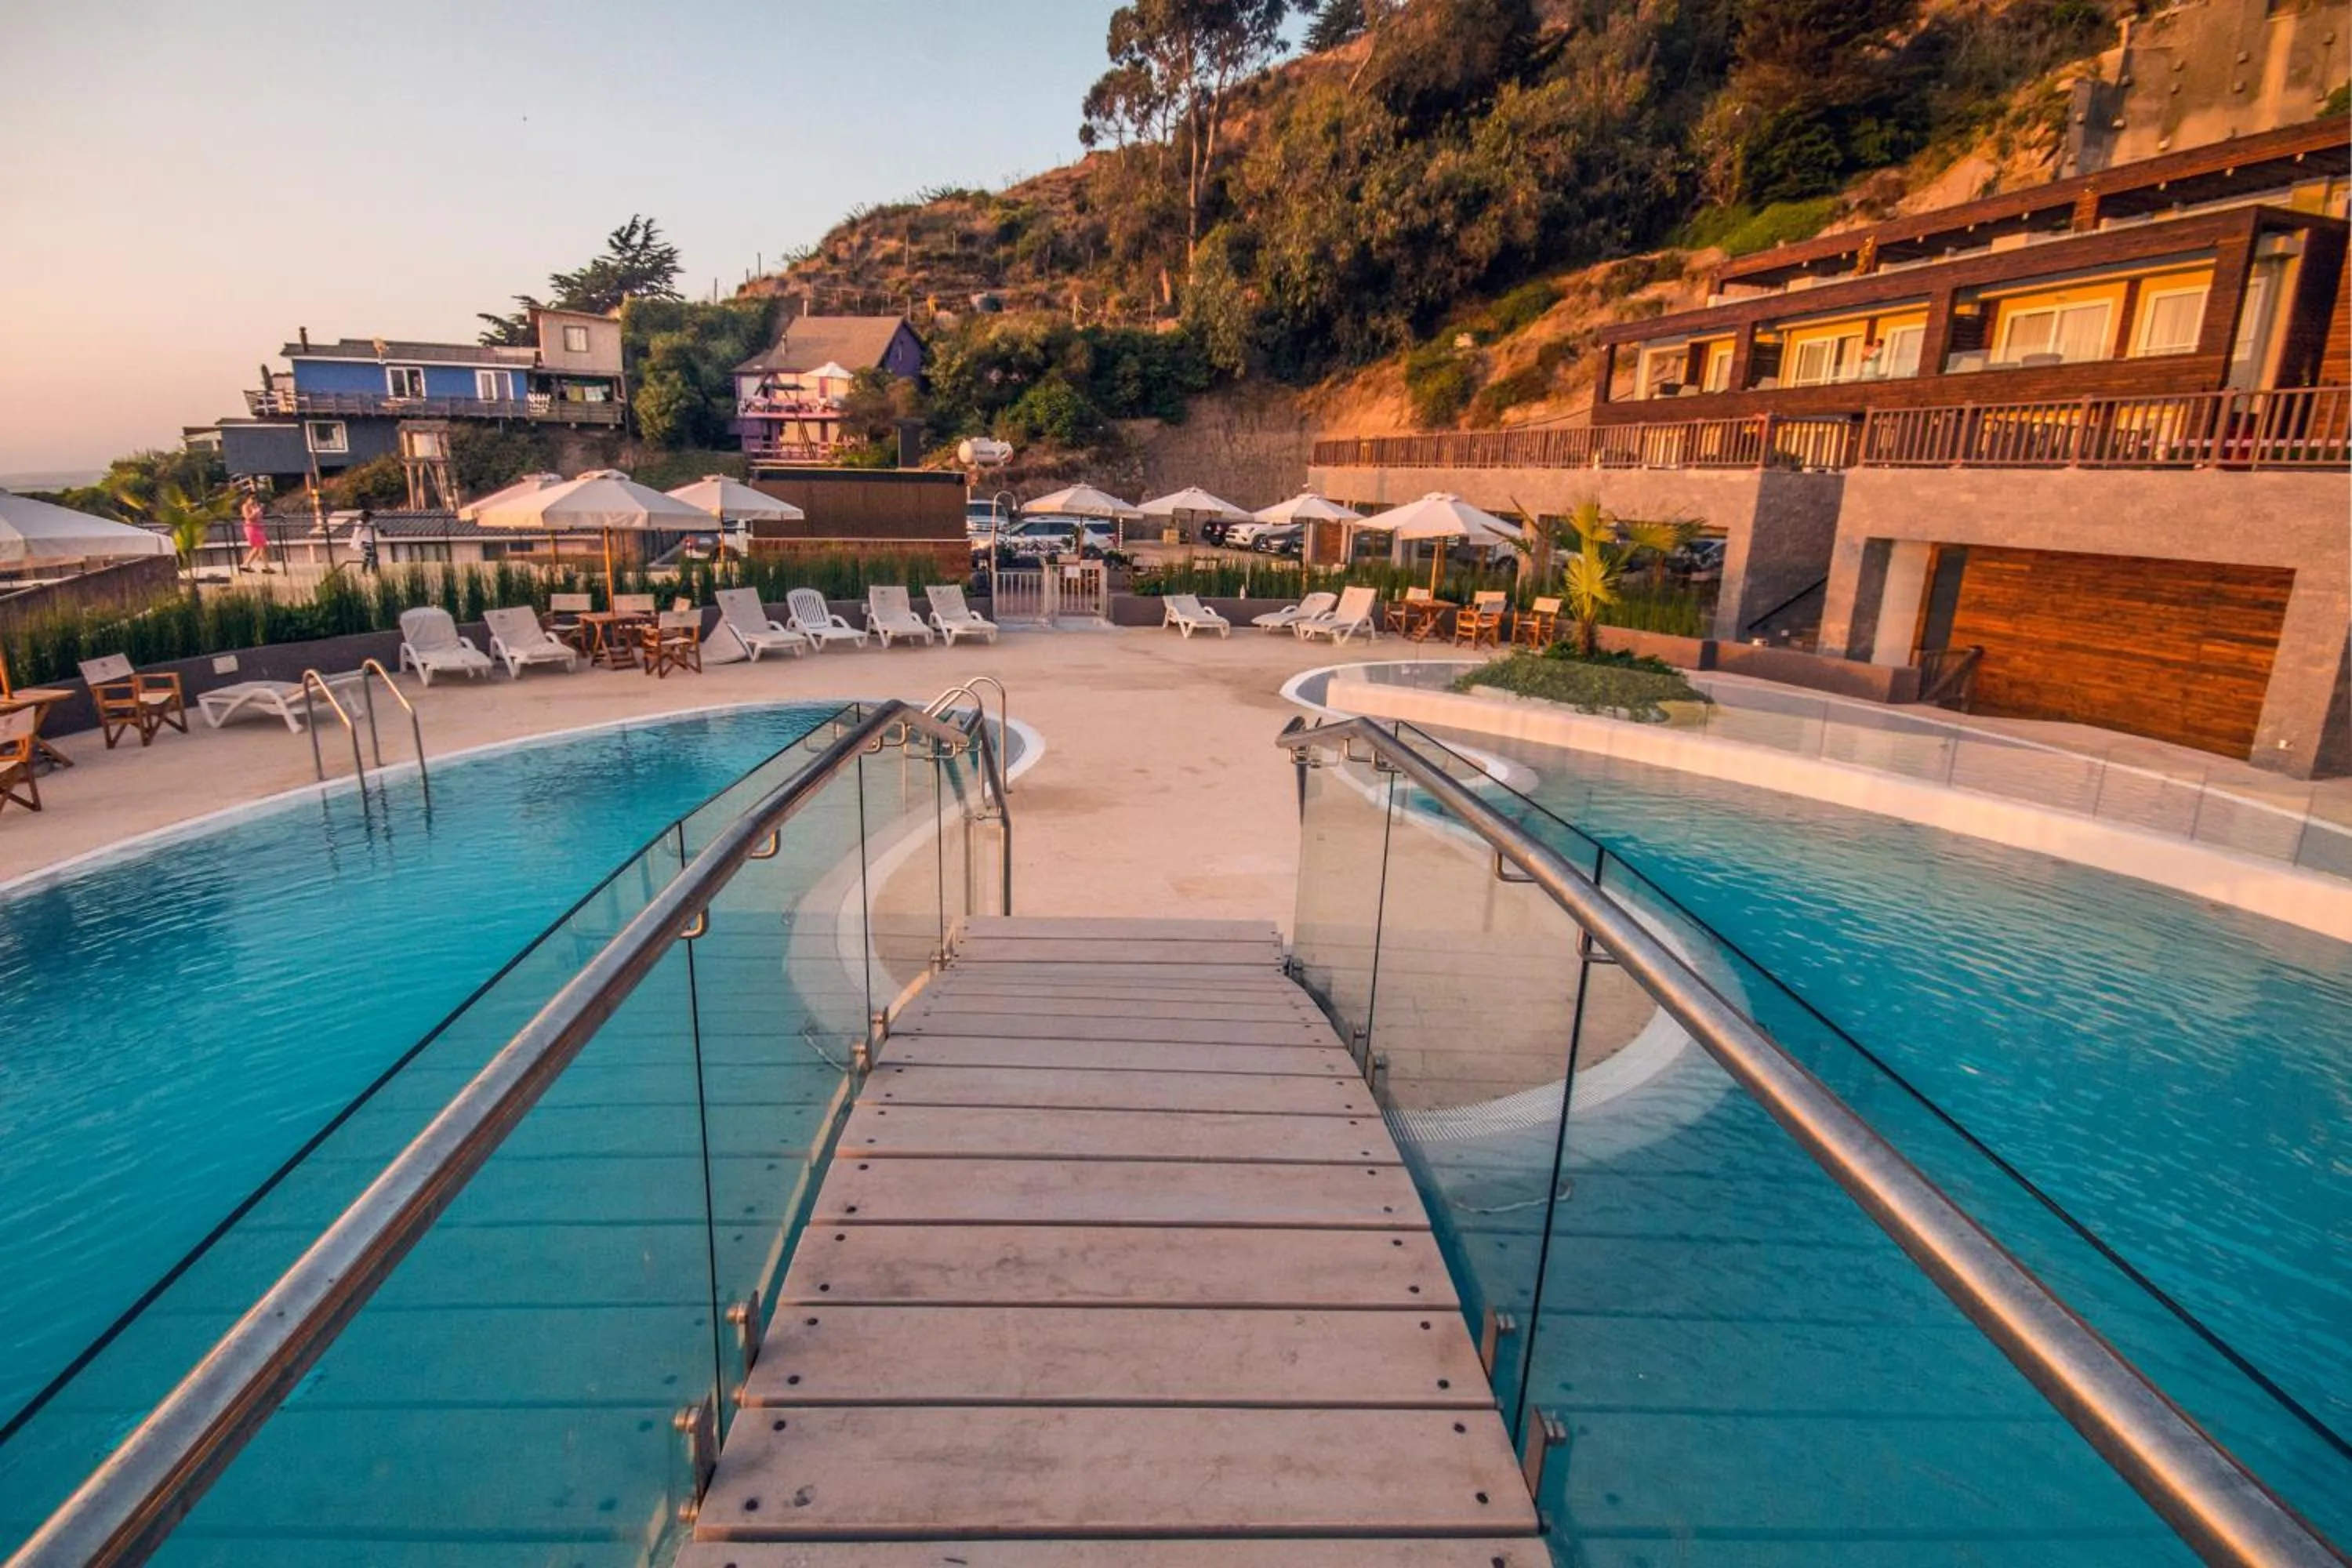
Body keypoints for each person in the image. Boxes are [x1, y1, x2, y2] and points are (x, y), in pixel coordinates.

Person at [238, 494, 271, 573]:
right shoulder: (245, 506)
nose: (253, 500)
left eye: (255, 499)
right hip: (251, 528)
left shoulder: (255, 506)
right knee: (260, 546)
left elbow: (259, 517)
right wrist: (255, 512)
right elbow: (248, 518)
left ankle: (246, 564)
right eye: (252, 498)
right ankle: (266, 567)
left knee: (258, 547)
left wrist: (259, 510)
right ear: (247, 499)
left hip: (258, 528)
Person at [349, 509, 380, 575]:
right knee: (370, 556)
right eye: (368, 517)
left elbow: (377, 529)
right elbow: (356, 533)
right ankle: (369, 571)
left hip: (371, 541)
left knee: (371, 557)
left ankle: (370, 571)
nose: (369, 518)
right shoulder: (361, 523)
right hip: (365, 542)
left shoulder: (371, 523)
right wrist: (355, 543)